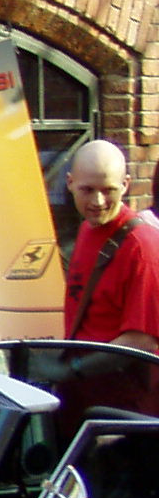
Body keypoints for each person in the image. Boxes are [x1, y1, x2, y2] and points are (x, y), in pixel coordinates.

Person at [62, 138, 159, 352]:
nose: (97, 201)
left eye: (108, 190)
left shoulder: (143, 247)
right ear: (70, 183)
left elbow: (143, 341)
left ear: (125, 185)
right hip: (82, 381)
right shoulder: (87, 229)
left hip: (121, 383)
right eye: (87, 190)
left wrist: (75, 368)